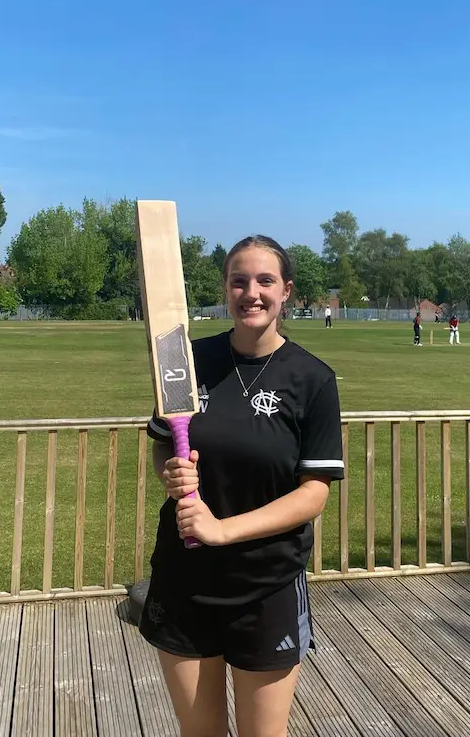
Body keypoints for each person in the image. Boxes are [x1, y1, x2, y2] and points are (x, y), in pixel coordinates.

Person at [139, 235, 344, 737]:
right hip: (186, 581)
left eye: (265, 280)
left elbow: (313, 493)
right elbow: (164, 443)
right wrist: (171, 471)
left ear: (286, 291)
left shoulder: (313, 379)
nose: (251, 292)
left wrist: (223, 530)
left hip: (266, 585)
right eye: (238, 281)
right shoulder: (186, 361)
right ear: (226, 290)